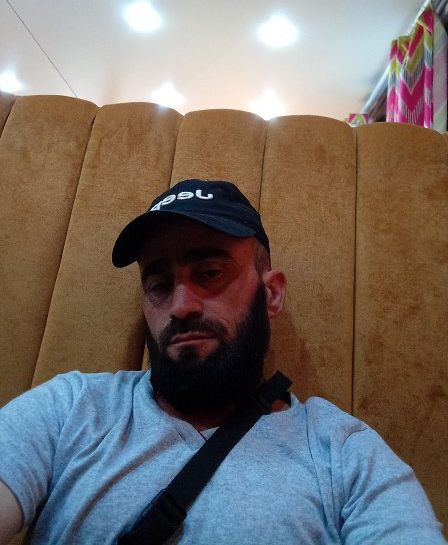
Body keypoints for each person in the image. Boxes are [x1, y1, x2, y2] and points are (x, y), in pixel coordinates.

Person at [0, 179, 445, 545]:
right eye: (159, 283)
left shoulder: (344, 453)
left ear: (271, 293)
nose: (180, 306)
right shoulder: (71, 409)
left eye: (210, 274)